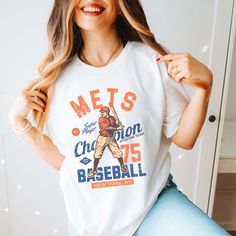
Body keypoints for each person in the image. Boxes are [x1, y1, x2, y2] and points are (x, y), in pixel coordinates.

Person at [8, 0, 231, 235]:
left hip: (153, 206)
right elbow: (65, 162)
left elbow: (185, 138)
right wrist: (20, 123)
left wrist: (204, 86)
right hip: (89, 221)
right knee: (97, 155)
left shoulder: (150, 62)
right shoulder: (55, 79)